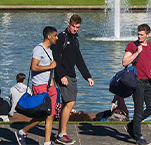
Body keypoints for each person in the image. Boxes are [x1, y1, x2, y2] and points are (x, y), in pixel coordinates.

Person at [52, 15, 94, 144]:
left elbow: (79, 59)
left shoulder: (75, 39)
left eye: (77, 27)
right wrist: (61, 75)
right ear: (69, 24)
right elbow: (55, 57)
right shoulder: (62, 37)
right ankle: (62, 134)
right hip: (64, 76)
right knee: (70, 103)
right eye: (73, 26)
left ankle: (61, 132)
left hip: (72, 75)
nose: (75, 29)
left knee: (67, 103)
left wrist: (87, 76)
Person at [15, 26, 59, 145]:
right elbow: (34, 67)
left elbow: (51, 71)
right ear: (49, 36)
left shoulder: (50, 50)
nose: (57, 37)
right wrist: (50, 66)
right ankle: (23, 131)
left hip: (50, 86)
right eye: (55, 35)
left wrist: (53, 86)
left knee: (50, 115)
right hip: (40, 86)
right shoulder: (38, 49)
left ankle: (47, 142)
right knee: (43, 114)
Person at [123, 24, 151, 145]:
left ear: (147, 35)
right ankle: (138, 137)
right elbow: (124, 62)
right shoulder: (132, 45)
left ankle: (132, 125)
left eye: (142, 34)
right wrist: (137, 52)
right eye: (138, 34)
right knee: (139, 109)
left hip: (148, 82)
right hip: (137, 82)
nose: (139, 36)